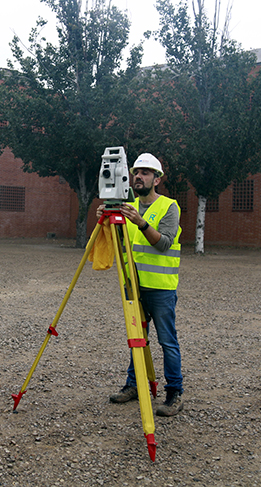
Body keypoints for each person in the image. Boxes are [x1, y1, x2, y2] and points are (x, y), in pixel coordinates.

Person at [96, 153, 184, 417]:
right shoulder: (127, 206)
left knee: (167, 341)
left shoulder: (169, 206)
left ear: (156, 179)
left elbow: (164, 243)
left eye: (146, 173)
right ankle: (134, 385)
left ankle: (174, 393)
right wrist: (105, 220)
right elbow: (120, 244)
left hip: (160, 288)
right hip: (133, 286)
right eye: (136, 172)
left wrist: (141, 222)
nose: (139, 177)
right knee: (138, 338)